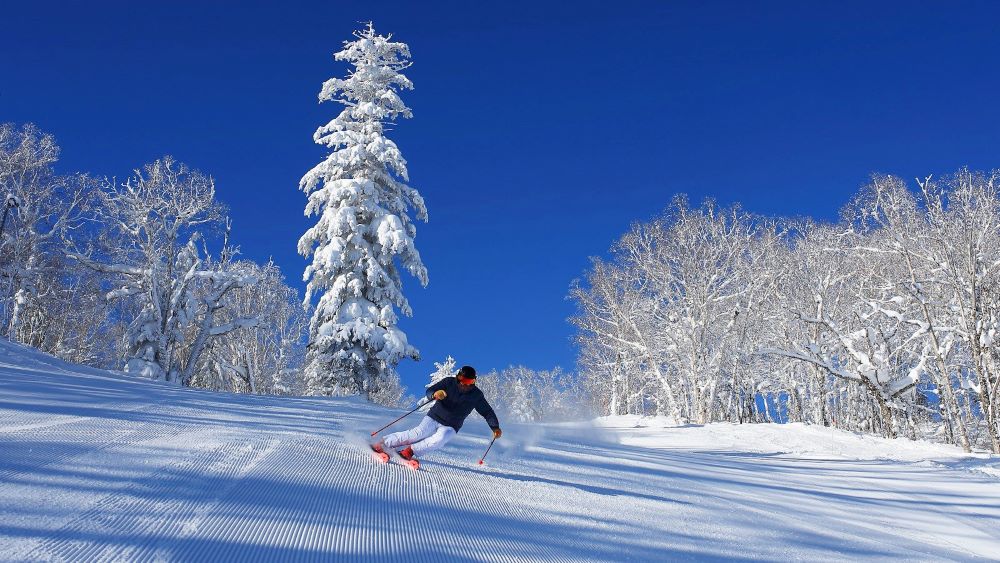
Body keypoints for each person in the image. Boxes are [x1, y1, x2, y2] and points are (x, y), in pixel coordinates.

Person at [372, 365, 502, 469]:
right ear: (458, 378)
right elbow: (430, 391)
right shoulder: (449, 382)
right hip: (435, 415)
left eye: (471, 381)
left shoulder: (476, 395)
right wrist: (435, 393)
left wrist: (495, 427)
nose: (467, 385)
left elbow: (487, 412)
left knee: (439, 440)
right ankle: (384, 443)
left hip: (452, 425)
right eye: (465, 381)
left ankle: (409, 451)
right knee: (417, 433)